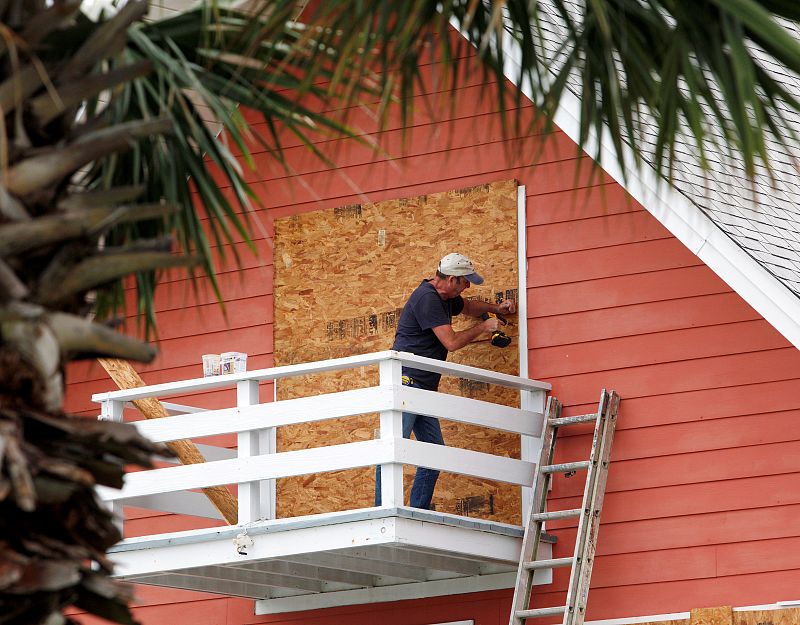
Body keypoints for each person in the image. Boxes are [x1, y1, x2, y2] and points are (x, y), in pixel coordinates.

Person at [375, 252, 517, 509]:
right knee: (394, 446)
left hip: (423, 386)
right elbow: (450, 343)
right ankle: (382, 511)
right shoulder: (427, 298)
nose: (468, 286)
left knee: (435, 452)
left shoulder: (443, 298)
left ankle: (417, 510)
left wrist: (495, 308)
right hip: (406, 382)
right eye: (465, 282)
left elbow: (469, 307)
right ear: (452, 280)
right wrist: (484, 328)